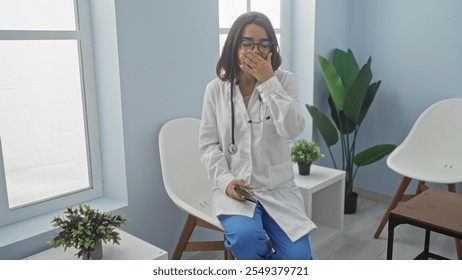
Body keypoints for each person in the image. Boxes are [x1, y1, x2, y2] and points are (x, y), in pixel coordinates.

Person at [199, 11, 316, 260]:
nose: (256, 50)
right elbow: (208, 145)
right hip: (237, 187)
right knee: (244, 239)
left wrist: (268, 81)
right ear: (234, 45)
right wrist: (226, 181)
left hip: (278, 188)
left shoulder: (285, 81)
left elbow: (293, 129)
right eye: (247, 43)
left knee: (299, 258)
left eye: (264, 44)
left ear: (272, 49)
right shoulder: (215, 90)